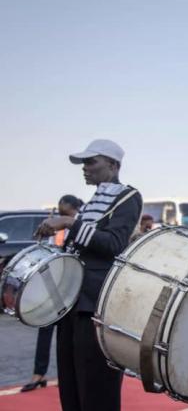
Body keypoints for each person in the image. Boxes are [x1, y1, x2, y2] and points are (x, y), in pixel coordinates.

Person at [35, 139, 142, 411]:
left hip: (96, 304)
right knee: (71, 389)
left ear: (113, 165)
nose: (85, 168)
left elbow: (113, 244)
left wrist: (70, 222)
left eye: (91, 161)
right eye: (84, 163)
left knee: (97, 391)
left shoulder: (128, 196)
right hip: (72, 302)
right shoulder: (93, 200)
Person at [21, 195, 83, 393]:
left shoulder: (82, 224)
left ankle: (75, 375)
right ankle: (39, 374)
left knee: (74, 335)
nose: (59, 212)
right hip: (54, 285)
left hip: (74, 287)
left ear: (73, 209)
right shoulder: (54, 226)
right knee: (45, 329)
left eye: (64, 210)